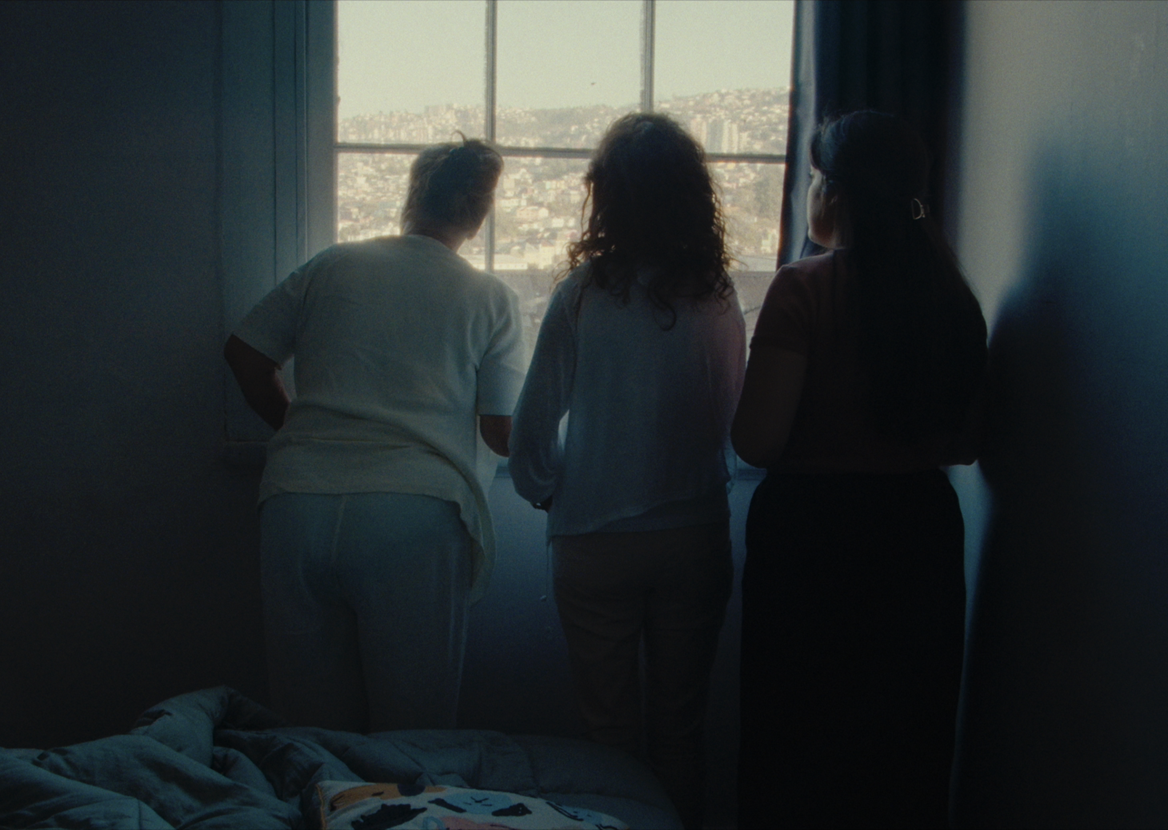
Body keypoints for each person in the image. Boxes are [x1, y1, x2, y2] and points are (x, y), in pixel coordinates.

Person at [731, 111, 988, 828]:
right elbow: (966, 444)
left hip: (811, 535)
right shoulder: (952, 296)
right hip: (918, 532)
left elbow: (757, 440)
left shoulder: (802, 288)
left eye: (816, 178)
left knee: (798, 738)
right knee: (903, 740)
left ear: (838, 194)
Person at [224, 137, 527, 734]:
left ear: (413, 196)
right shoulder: (489, 296)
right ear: (480, 213)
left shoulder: (332, 265)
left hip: (298, 501)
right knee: (414, 728)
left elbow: (245, 353)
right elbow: (500, 431)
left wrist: (300, 429)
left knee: (309, 728)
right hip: (413, 512)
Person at [509, 112, 744, 830]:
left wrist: (548, 491)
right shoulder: (715, 291)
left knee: (607, 733)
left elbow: (532, 426)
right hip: (693, 532)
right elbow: (735, 418)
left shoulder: (583, 292)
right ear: (691, 195)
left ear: (606, 193)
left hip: (595, 535)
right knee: (681, 727)